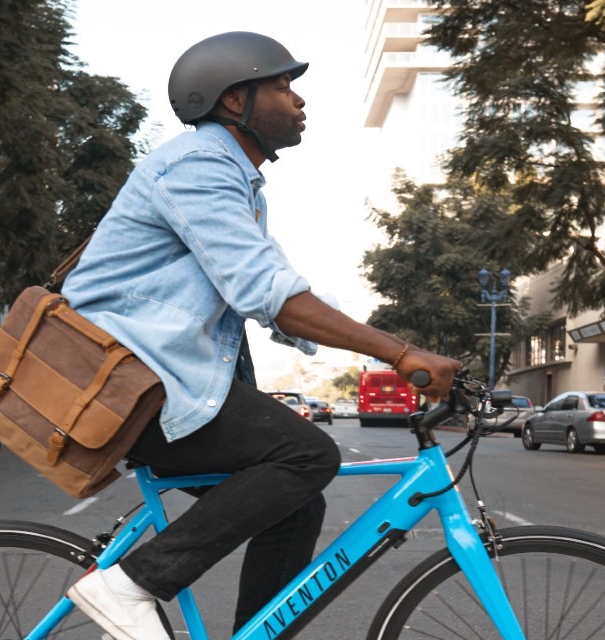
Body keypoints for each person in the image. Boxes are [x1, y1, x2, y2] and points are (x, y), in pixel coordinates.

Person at [63, 31, 460, 640]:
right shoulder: (196, 167)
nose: (298, 100)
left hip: (159, 380)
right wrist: (399, 355)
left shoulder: (233, 179)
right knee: (308, 454)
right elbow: (267, 292)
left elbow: (283, 296)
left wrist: (406, 350)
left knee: (295, 507)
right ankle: (129, 585)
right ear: (232, 101)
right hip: (126, 384)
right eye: (283, 85)